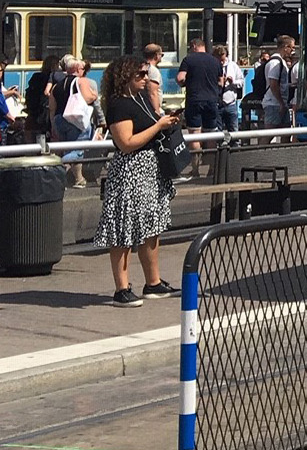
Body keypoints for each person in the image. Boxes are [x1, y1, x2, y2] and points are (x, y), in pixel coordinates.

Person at [93, 55, 181, 308]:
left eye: (146, 74)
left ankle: (153, 282)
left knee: (150, 225)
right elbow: (126, 143)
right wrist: (158, 125)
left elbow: (148, 128)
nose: (146, 79)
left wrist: (165, 122)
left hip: (150, 169)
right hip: (131, 170)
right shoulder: (118, 104)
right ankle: (122, 288)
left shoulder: (141, 98)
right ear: (125, 78)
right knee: (124, 227)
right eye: (140, 75)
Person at [50, 55, 99, 187]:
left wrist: (53, 126)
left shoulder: (56, 86)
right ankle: (57, 173)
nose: (84, 70)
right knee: (76, 150)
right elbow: (87, 98)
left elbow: (52, 109)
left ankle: (78, 179)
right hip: (75, 120)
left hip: (60, 120)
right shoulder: (81, 81)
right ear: (77, 69)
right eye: (83, 68)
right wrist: (94, 95)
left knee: (67, 148)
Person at [176, 39, 224, 174]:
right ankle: (212, 168)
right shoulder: (215, 61)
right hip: (212, 101)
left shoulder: (188, 60)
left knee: (194, 134)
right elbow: (221, 82)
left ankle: (195, 168)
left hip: (194, 100)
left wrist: (186, 83)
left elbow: (180, 78)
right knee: (210, 134)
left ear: (194, 46)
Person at [261, 36, 298, 140]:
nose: (293, 51)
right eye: (292, 47)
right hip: (274, 104)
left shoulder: (281, 62)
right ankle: (259, 154)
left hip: (281, 103)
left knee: (286, 133)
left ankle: (283, 154)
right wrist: (281, 102)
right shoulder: (275, 63)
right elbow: (273, 84)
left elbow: (279, 83)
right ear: (285, 47)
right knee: (269, 134)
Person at [215, 45, 244, 135]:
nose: (222, 62)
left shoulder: (233, 66)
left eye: (223, 60)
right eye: (219, 60)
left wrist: (233, 82)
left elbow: (241, 82)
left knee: (234, 131)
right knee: (217, 132)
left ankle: (235, 147)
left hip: (230, 103)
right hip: (217, 104)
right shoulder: (212, 66)